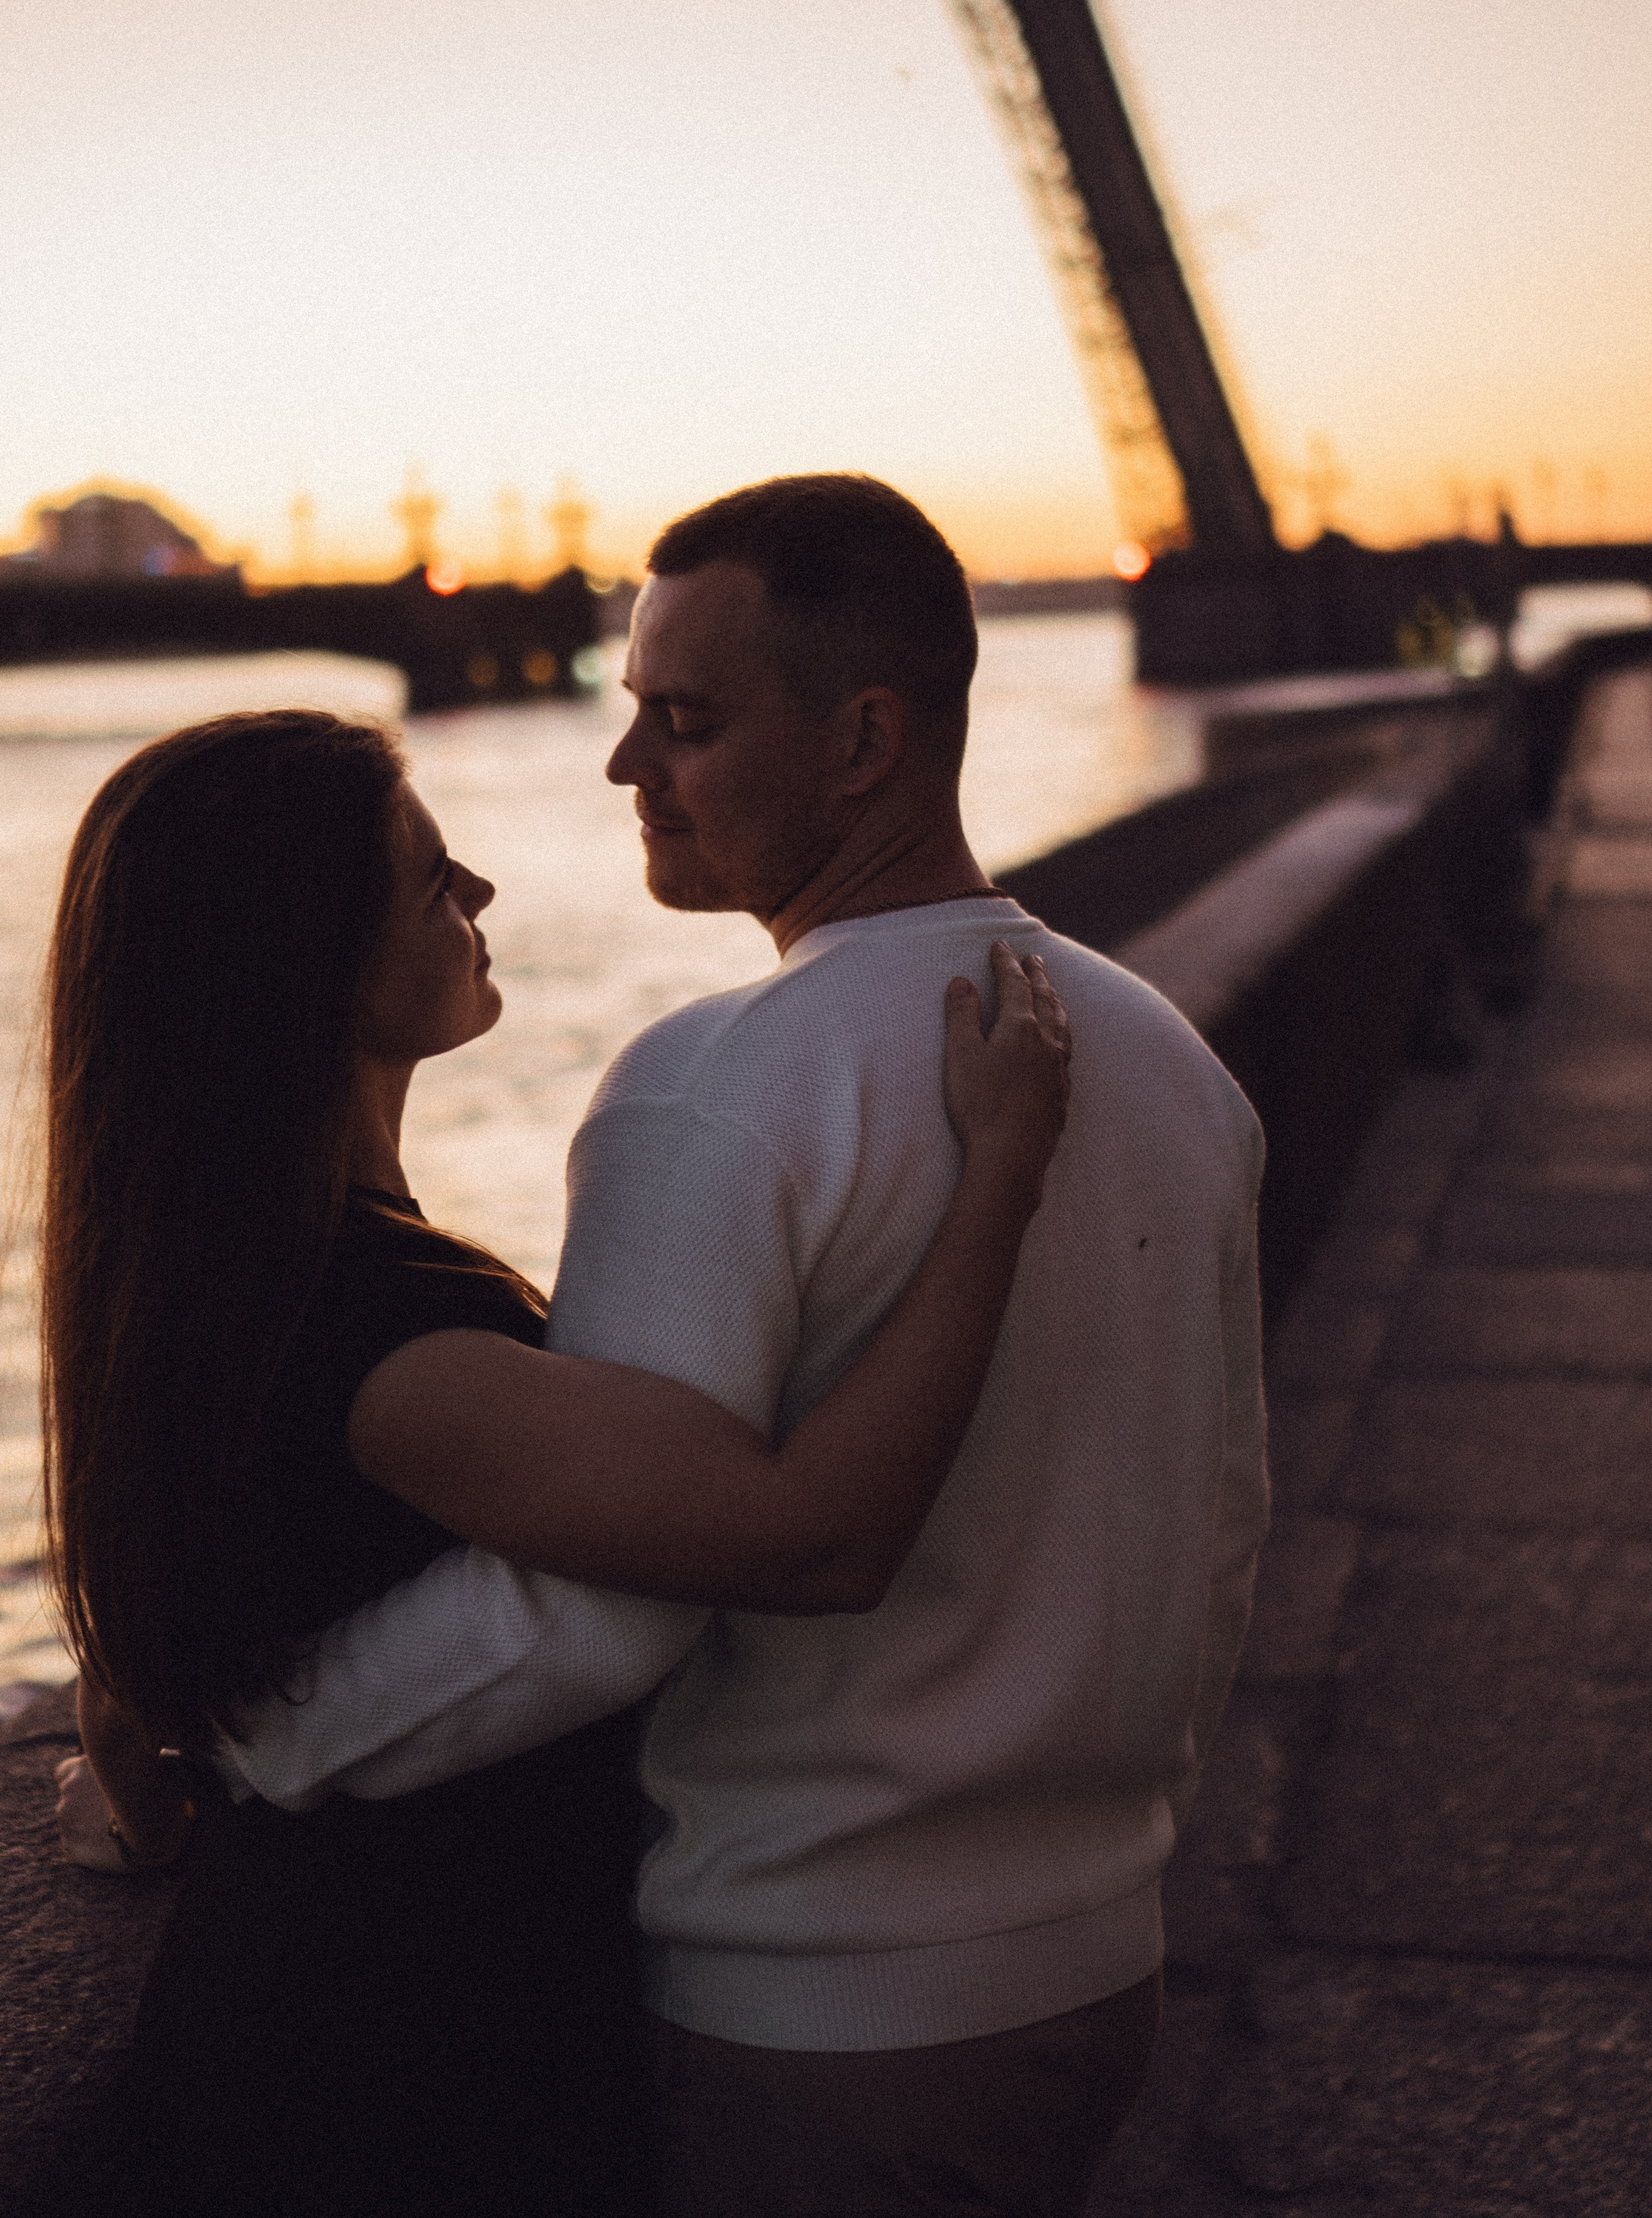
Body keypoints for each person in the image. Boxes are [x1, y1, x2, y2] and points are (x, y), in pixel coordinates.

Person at [216, 474, 1270, 2218]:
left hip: (822, 2011)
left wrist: (253, 1734)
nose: (629, 769)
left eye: (684, 722)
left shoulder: (713, 1088)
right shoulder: (1164, 1057)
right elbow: (1219, 1520)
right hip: (1094, 1973)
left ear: (865, 739)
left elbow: (604, 1599)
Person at [41, 705, 1071, 2218]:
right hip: (410, 2079)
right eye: (425, 875)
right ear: (303, 957)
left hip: (308, 2042)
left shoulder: (211, 1291)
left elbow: (151, 1675)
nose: (480, 897)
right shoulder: (386, 1338)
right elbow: (813, 1540)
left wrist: (145, 1795)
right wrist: (1000, 1182)